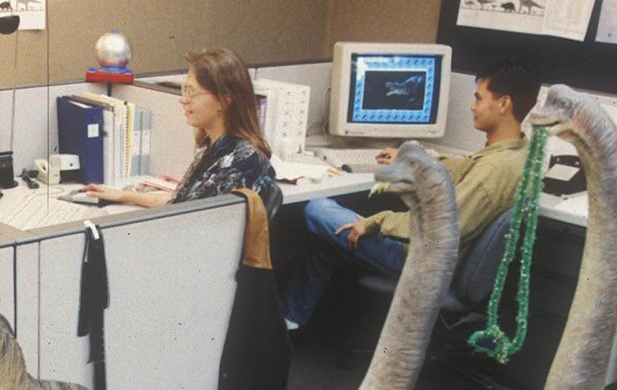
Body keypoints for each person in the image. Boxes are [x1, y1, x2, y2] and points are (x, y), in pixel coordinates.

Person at [281, 58, 540, 329]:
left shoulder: (493, 170)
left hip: (425, 260)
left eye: (479, 98)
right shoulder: (517, 153)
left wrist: (376, 222)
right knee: (328, 237)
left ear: (503, 104)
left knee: (317, 209)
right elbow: (465, 168)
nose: (472, 106)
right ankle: (290, 323)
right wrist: (414, 159)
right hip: (448, 259)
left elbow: (439, 228)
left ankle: (288, 324)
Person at [82, 48, 276, 207]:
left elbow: (186, 216)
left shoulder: (239, 163)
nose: (183, 100)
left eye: (192, 92)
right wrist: (123, 196)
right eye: (185, 90)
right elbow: (181, 201)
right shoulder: (214, 146)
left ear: (224, 101)